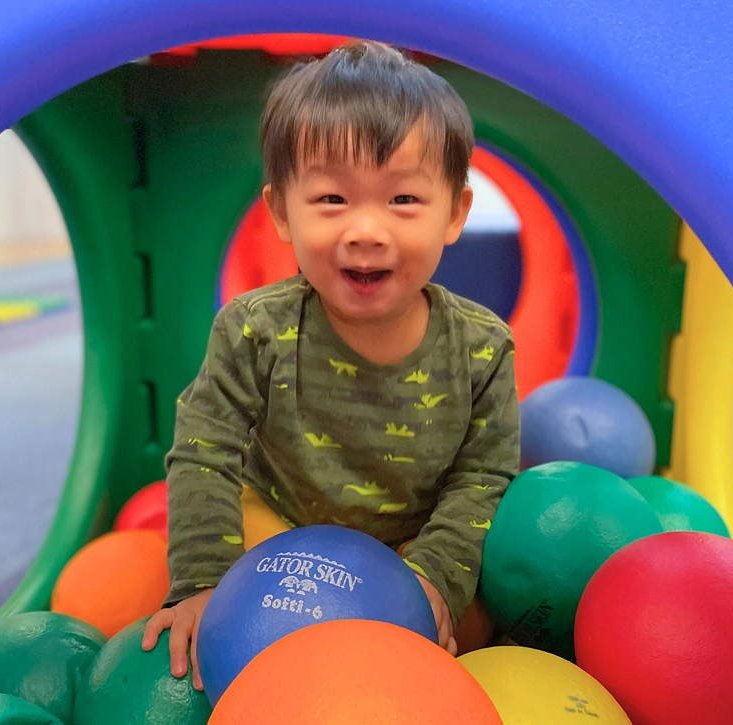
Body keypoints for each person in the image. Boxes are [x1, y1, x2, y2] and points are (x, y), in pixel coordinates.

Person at [142, 40, 520, 689]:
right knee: (247, 633)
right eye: (331, 200)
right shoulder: (255, 329)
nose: (366, 229)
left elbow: (484, 475)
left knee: (474, 629)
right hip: (281, 523)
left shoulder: (483, 347)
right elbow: (204, 450)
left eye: (402, 199)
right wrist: (200, 581)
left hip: (409, 541)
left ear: (455, 212)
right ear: (280, 212)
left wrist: (435, 570)